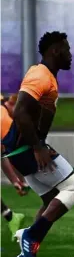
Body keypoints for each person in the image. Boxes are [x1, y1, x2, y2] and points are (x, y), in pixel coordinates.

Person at [4, 31, 74, 257]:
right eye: (67, 49)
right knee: (73, 188)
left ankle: (26, 253)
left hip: (23, 150)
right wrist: (38, 147)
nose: (70, 55)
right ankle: (30, 238)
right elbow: (20, 113)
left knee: (51, 199)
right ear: (56, 50)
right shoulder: (40, 75)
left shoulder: (47, 77)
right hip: (25, 150)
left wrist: (40, 144)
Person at [1, 95, 27, 239]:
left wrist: (16, 181)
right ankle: (11, 216)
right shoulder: (6, 121)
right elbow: (11, 156)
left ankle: (10, 216)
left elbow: (4, 156)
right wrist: (20, 180)